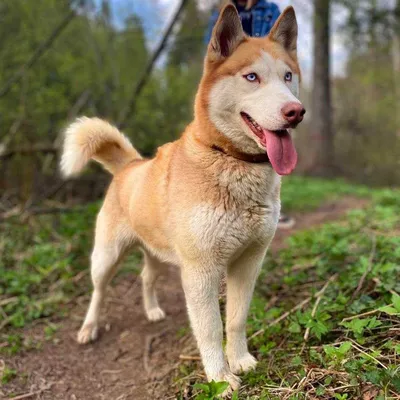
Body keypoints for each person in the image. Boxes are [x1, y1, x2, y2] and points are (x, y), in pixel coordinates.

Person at [205, 0, 296, 230]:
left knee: (267, 149)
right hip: (242, 85)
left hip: (267, 80)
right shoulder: (219, 14)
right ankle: (220, 205)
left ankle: (269, 204)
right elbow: (214, 56)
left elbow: (276, 52)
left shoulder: (270, 11)